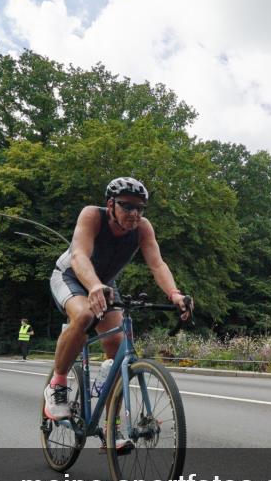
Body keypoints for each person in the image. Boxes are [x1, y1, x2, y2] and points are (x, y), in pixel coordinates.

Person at [45, 177, 190, 423]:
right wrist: (93, 286)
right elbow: (79, 255)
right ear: (110, 204)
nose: (134, 213)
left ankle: (112, 426)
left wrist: (175, 294)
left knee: (116, 341)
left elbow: (157, 264)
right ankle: (57, 386)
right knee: (84, 316)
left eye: (140, 208)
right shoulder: (92, 215)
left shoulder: (143, 228)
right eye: (127, 206)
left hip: (104, 284)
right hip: (71, 276)